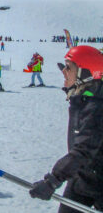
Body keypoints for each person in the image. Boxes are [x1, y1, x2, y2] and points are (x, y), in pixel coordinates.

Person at [28, 45, 103, 212]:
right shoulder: (82, 100)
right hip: (82, 179)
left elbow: (84, 150)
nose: (63, 71)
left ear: (85, 73)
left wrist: (52, 181)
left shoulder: (97, 108)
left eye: (69, 67)